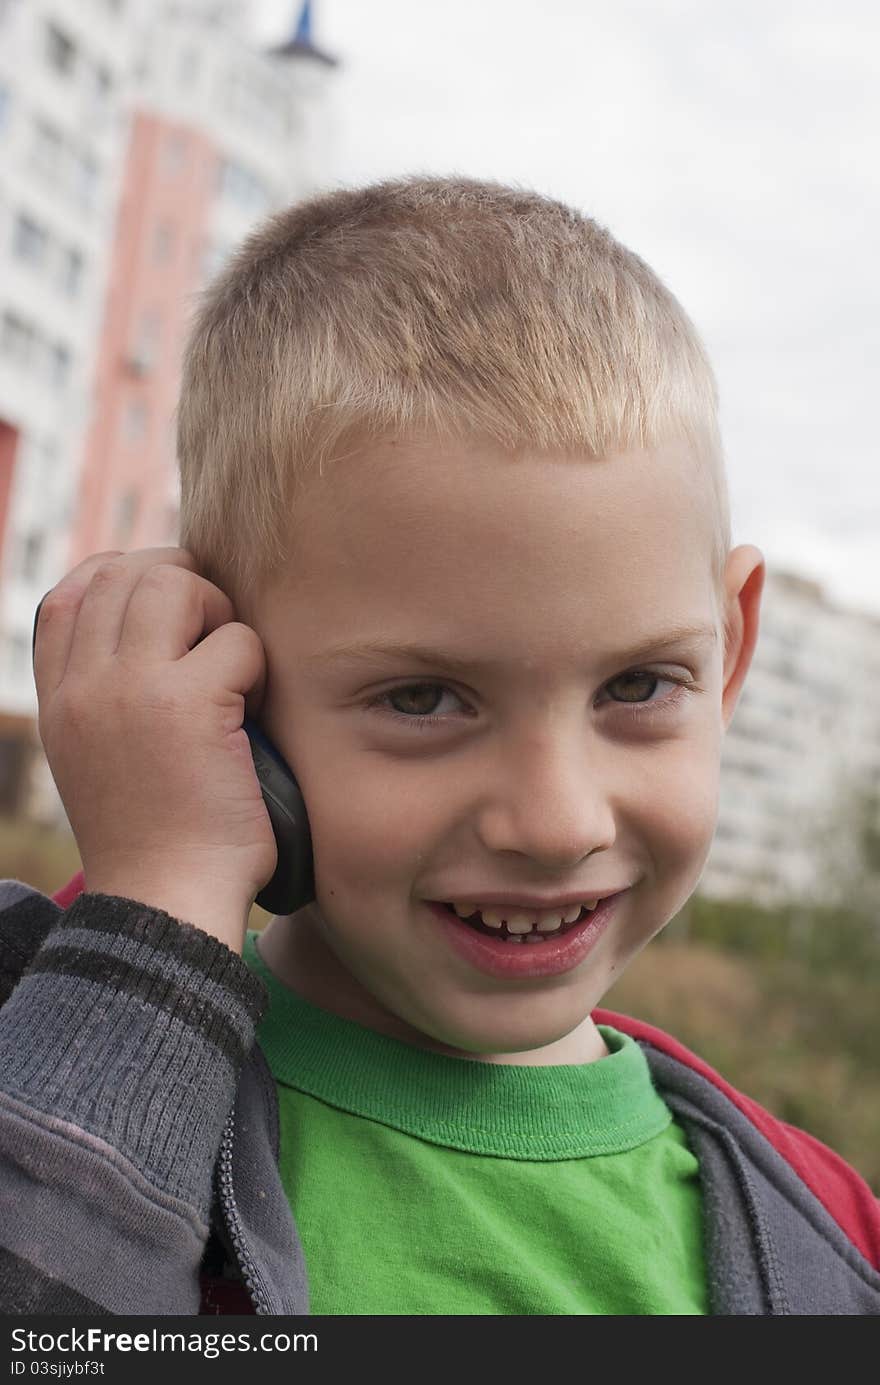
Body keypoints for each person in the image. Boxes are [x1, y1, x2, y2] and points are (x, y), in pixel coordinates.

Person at [1, 177, 878, 1317]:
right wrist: (161, 897)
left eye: (637, 683)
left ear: (732, 647)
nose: (558, 820)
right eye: (424, 698)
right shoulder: (43, 1041)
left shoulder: (832, 1238)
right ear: (227, 678)